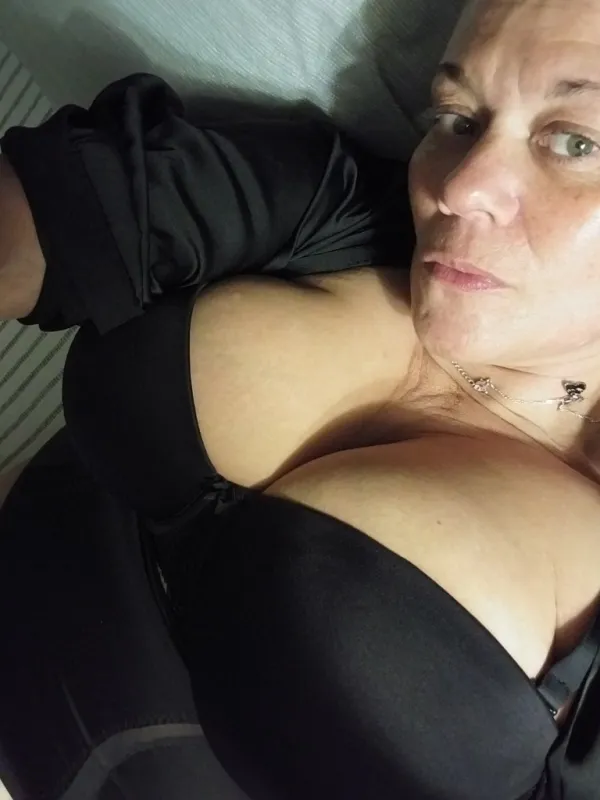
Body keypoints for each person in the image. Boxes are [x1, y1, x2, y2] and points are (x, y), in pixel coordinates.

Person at [0, 0, 599, 797]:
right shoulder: (334, 211)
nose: (460, 187)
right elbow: (71, 206)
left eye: (576, 141)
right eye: (457, 117)